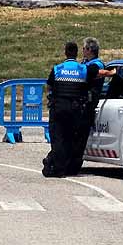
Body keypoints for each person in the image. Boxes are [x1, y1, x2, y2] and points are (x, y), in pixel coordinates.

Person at [42, 41, 93, 178]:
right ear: (77, 53)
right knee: (71, 138)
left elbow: (49, 87)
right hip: (75, 109)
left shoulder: (58, 68)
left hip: (58, 107)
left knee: (58, 138)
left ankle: (58, 168)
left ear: (65, 52)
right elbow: (87, 87)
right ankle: (68, 166)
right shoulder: (82, 69)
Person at [68, 37, 115, 174]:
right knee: (75, 136)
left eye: (84, 48)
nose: (82, 51)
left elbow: (94, 73)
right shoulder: (86, 63)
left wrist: (112, 73)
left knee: (80, 137)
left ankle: (74, 166)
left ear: (89, 50)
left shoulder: (97, 64)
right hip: (80, 103)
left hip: (88, 104)